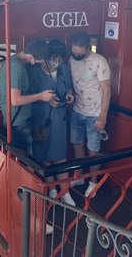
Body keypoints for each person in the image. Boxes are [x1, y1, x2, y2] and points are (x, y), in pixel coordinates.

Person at [28, 39, 76, 206]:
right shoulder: (34, 71)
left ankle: (65, 191)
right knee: (44, 157)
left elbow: (69, 87)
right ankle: (51, 189)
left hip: (60, 118)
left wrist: (69, 95)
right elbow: (30, 96)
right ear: (48, 56)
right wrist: (47, 101)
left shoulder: (63, 69)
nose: (59, 61)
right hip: (41, 119)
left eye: (61, 58)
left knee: (60, 156)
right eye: (56, 57)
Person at [68, 32, 111, 198]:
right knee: (77, 144)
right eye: (74, 52)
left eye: (80, 52)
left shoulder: (99, 61)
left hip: (95, 113)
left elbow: (107, 91)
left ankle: (93, 183)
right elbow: (72, 83)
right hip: (77, 110)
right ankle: (79, 177)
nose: (76, 55)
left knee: (93, 150)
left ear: (88, 48)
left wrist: (103, 117)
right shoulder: (71, 60)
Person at [0, 39, 56, 154]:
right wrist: (41, 96)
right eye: (40, 61)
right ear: (31, 57)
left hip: (17, 118)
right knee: (25, 161)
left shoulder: (15, 62)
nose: (41, 64)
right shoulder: (16, 67)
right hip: (18, 121)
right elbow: (15, 100)